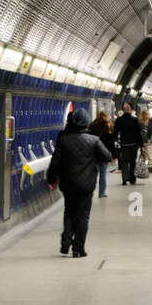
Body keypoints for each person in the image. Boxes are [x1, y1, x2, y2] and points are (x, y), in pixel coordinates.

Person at [48, 107, 112, 257]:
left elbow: (55, 162)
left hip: (68, 183)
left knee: (69, 211)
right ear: (86, 123)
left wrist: (51, 178)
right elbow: (107, 156)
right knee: (83, 216)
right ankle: (78, 248)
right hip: (86, 184)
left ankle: (66, 239)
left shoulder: (63, 140)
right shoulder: (93, 140)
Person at [87, 111, 114, 198]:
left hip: (93, 153)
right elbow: (111, 143)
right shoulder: (108, 126)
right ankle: (102, 192)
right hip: (103, 153)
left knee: (92, 174)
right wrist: (113, 155)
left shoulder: (91, 126)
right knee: (103, 174)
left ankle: (90, 192)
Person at [114, 103, 143, 185]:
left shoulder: (119, 120)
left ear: (123, 110)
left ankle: (124, 178)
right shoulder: (135, 120)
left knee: (124, 162)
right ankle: (132, 178)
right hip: (134, 144)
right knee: (132, 162)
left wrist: (116, 140)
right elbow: (139, 133)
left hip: (124, 144)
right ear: (131, 110)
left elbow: (115, 132)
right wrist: (141, 144)